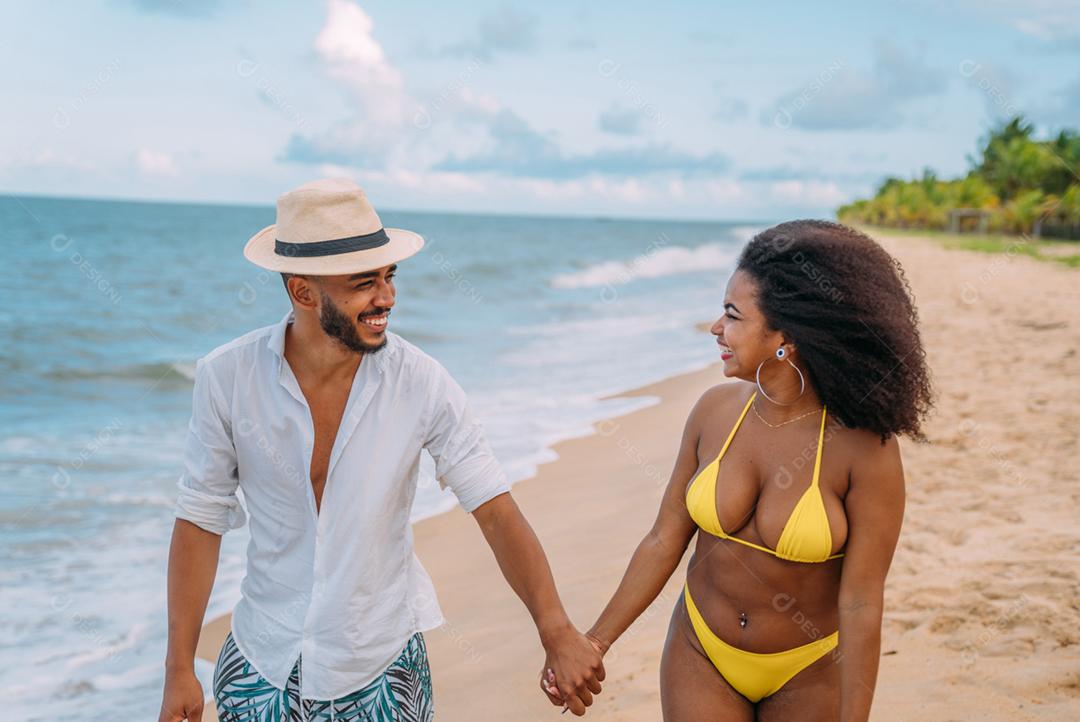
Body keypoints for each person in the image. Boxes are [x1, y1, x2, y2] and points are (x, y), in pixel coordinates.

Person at [159, 178, 604, 722]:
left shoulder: (421, 382)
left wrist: (555, 630)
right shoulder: (227, 377)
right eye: (364, 283)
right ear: (303, 292)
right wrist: (179, 668)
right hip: (261, 667)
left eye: (389, 276)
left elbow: (494, 506)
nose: (386, 298)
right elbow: (200, 519)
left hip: (383, 674)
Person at [544, 221, 932, 720]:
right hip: (700, 649)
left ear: (786, 337)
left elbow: (861, 601)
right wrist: (595, 642)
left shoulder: (864, 448)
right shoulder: (714, 411)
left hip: (809, 667)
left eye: (732, 315)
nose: (715, 328)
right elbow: (664, 539)